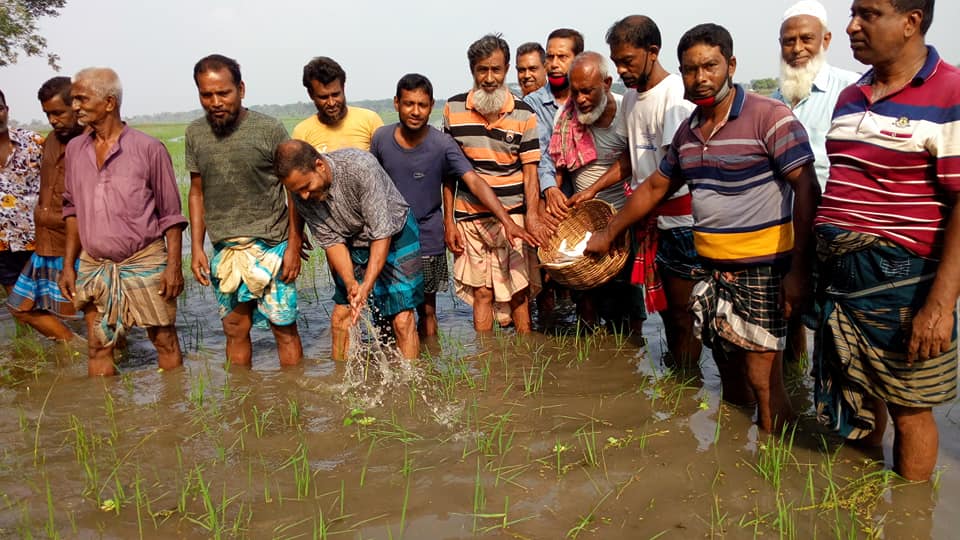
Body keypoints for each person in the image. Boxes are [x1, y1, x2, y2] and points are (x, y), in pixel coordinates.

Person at [586, 24, 820, 433]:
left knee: (765, 383)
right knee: (730, 375)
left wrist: (800, 269)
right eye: (691, 70)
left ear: (730, 65)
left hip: (762, 271)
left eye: (710, 66)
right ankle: (736, 463)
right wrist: (609, 231)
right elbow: (656, 184)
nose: (701, 78)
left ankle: (777, 471)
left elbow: (807, 187)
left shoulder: (769, 116)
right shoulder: (690, 131)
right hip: (711, 271)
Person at [812, 0, 958, 482]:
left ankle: (911, 517)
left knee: (909, 406)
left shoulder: (950, 92)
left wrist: (938, 306)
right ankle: (864, 496)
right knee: (856, 384)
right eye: (853, 12)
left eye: (868, 14)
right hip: (841, 275)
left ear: (911, 22)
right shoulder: (852, 94)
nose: (851, 26)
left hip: (901, 280)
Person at [572, 15, 700, 369]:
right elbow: (631, 161)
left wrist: (612, 230)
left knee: (682, 314)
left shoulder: (674, 97)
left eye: (628, 60)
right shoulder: (630, 100)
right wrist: (592, 190)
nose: (622, 69)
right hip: (649, 219)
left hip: (680, 222)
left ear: (653, 52)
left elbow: (665, 178)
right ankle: (679, 379)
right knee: (665, 310)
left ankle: (688, 385)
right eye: (617, 61)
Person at [370, 73, 533, 338]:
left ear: (431, 105)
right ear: (396, 103)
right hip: (388, 239)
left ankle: (430, 366)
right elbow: (369, 186)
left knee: (427, 309)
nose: (415, 111)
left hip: (428, 237)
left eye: (422, 105)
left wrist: (506, 220)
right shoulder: (380, 139)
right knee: (387, 310)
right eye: (409, 104)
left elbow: (474, 181)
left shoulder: (442, 144)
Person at [59, 68, 187, 377]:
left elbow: (171, 214)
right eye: (73, 99)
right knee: (98, 345)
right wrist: (68, 265)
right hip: (96, 264)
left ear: (109, 102)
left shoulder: (148, 149)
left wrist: (173, 266)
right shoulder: (75, 150)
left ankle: (175, 412)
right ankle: (106, 420)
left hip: (144, 259)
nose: (74, 106)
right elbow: (72, 209)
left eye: (81, 98)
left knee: (163, 340)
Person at [186, 54, 304, 368]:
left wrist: (294, 244)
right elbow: (196, 192)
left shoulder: (269, 129)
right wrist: (196, 247)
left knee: (284, 328)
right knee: (235, 329)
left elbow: (292, 191)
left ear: (241, 89)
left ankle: (295, 404)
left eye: (223, 93)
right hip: (225, 249)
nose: (215, 102)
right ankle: (239, 403)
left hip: (273, 246)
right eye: (206, 95)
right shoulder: (195, 134)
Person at [275, 140, 423, 360]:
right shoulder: (301, 196)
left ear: (319, 165)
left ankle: (411, 384)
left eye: (306, 187)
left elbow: (381, 232)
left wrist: (368, 283)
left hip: (394, 232)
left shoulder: (360, 167)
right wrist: (353, 284)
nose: (304, 196)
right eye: (297, 191)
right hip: (351, 240)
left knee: (401, 318)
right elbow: (333, 241)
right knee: (341, 318)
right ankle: (341, 381)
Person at [772, 0, 860, 364]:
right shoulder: (776, 100)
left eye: (806, 39)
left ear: (825, 39)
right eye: (788, 41)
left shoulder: (851, 91)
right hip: (787, 232)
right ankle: (797, 389)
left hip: (835, 233)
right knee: (789, 315)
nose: (797, 49)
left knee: (837, 331)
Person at [442, 34, 547, 333]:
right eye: (482, 70)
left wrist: (532, 216)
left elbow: (530, 171)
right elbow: (448, 172)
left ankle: (525, 356)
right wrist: (448, 221)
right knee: (482, 292)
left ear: (507, 69)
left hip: (512, 215)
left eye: (496, 70)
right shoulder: (453, 109)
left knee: (519, 292)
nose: (489, 78)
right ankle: (484, 358)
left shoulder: (524, 113)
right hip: (469, 217)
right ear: (472, 70)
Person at [547, 51, 634, 328]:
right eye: (576, 92)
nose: (581, 99)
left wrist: (594, 189)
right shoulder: (567, 115)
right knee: (585, 296)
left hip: (623, 217)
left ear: (607, 84)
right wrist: (551, 196)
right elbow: (558, 162)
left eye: (588, 91)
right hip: (583, 221)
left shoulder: (627, 112)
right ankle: (590, 352)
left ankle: (631, 355)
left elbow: (631, 160)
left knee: (627, 295)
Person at [6, 78, 85, 344]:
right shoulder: (49, 141)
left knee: (95, 310)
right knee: (20, 306)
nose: (53, 120)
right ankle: (76, 346)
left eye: (58, 113)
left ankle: (110, 365)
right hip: (46, 241)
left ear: (76, 106)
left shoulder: (91, 142)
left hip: (80, 243)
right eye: (48, 114)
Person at [522, 29, 584, 323]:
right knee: (546, 266)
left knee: (585, 268)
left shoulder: (587, 97)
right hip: (553, 195)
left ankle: (589, 330)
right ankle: (549, 328)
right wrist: (549, 190)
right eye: (551, 57)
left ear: (577, 59)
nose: (555, 63)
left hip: (585, 194)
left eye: (563, 57)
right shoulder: (533, 103)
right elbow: (541, 152)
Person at [0, 89, 43, 301]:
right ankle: (29, 335)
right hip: (2, 244)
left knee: (52, 298)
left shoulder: (33, 142)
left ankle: (68, 335)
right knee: (18, 304)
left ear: (6, 110)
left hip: (38, 237)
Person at [292, 56, 383, 152]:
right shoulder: (302, 133)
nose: (331, 103)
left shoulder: (370, 121)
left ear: (343, 88)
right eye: (323, 97)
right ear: (311, 94)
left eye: (335, 95)